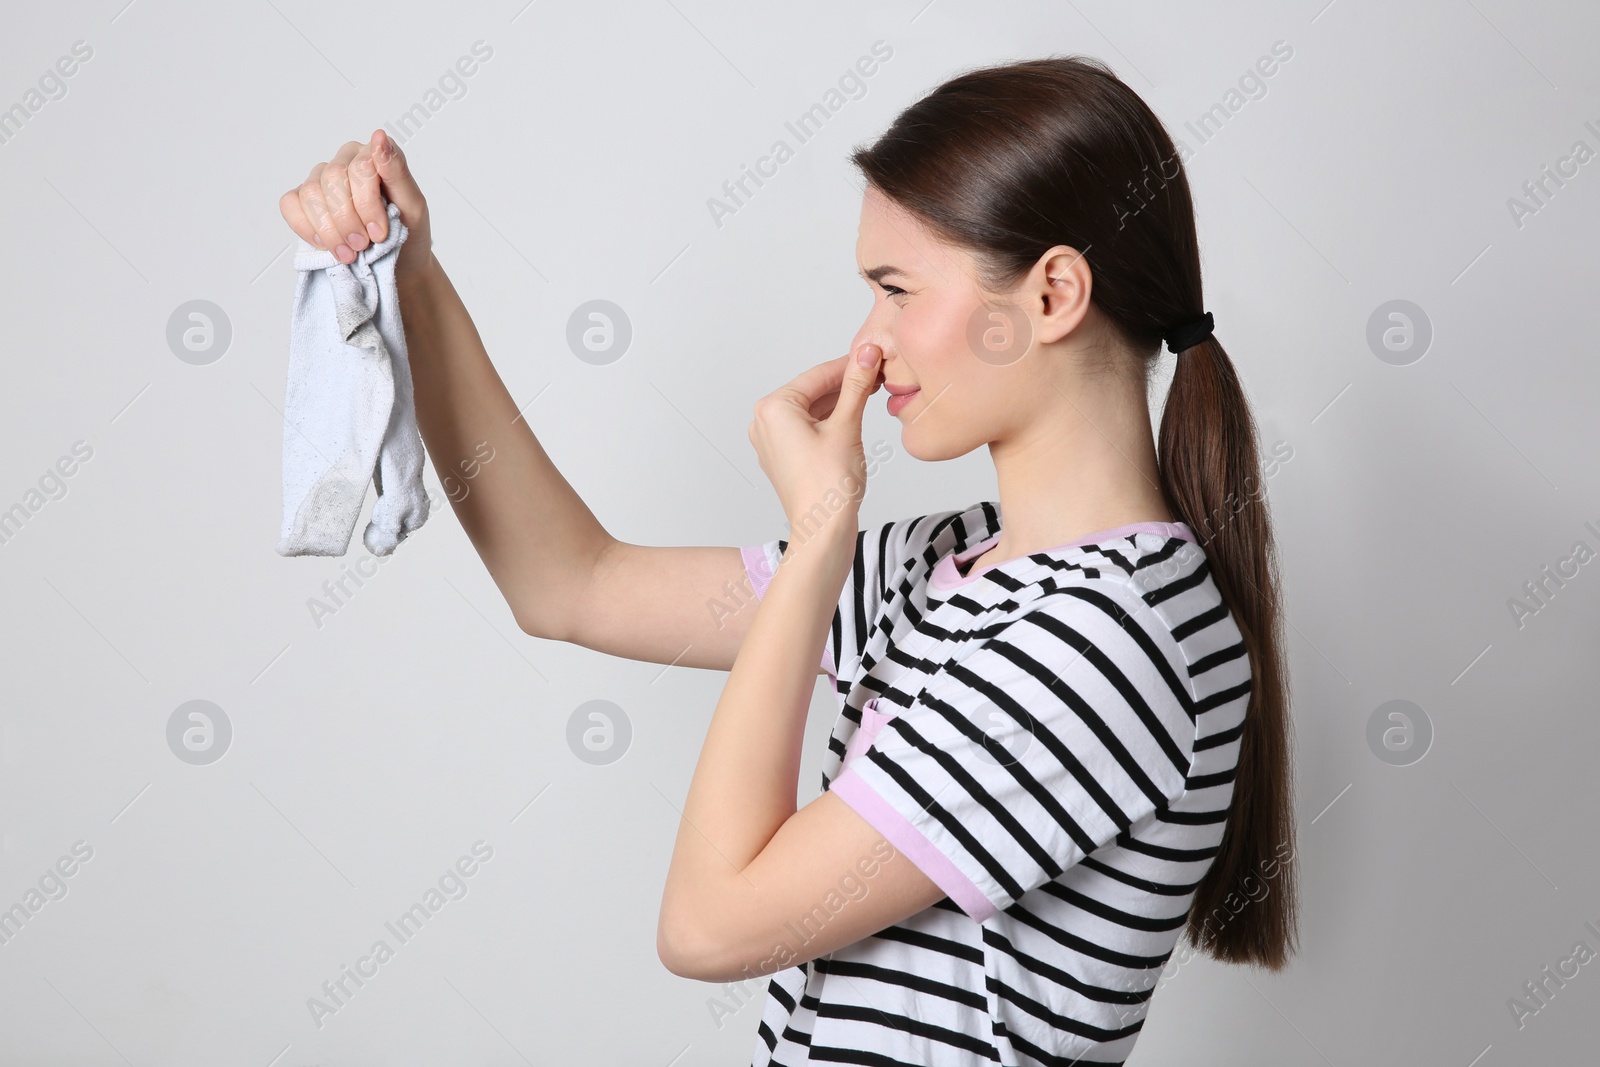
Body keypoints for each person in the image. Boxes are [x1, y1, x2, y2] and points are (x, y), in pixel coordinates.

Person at [279, 52, 1297, 1066]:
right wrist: (411, 271)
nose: (870, 343)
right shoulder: (956, 563)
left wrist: (818, 536)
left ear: (1052, 293)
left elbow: (708, 924)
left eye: (897, 290)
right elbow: (571, 583)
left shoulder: (1104, 636)